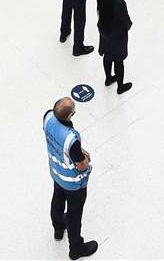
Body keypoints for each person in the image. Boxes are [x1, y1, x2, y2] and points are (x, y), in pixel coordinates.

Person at [44, 96, 100, 259]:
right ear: (69, 116)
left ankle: (58, 228)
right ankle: (76, 248)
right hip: (72, 183)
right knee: (74, 214)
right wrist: (87, 161)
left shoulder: (47, 117)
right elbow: (81, 165)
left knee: (57, 198)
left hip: (56, 172)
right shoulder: (71, 139)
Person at [96, 0, 133, 94]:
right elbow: (125, 21)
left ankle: (108, 78)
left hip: (104, 30)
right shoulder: (119, 2)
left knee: (107, 56)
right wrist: (129, 26)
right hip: (117, 35)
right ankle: (120, 86)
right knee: (118, 60)